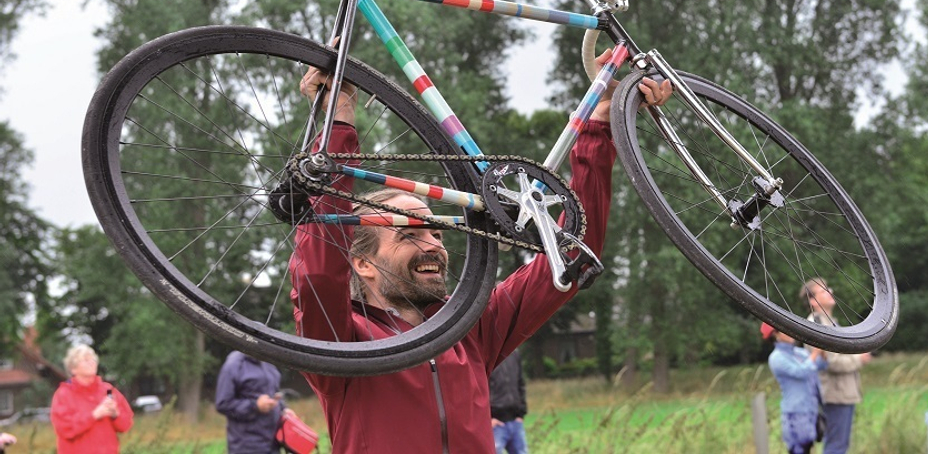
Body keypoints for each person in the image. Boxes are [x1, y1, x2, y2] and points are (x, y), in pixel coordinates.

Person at [292, 49, 671, 452]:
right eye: (409, 235)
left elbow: (572, 253)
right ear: (363, 263)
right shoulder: (338, 341)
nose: (433, 245)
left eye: (437, 233)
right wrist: (340, 118)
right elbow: (319, 268)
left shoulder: (469, 326)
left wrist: (601, 124)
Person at [799, 277, 871, 454]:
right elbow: (831, 362)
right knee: (836, 446)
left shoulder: (829, 322)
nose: (830, 292)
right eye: (823, 291)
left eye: (829, 288)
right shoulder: (816, 324)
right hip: (835, 393)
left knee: (840, 444)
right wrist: (859, 359)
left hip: (842, 392)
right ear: (812, 300)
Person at [50, 344, 133, 454]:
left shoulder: (108, 390)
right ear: (73, 368)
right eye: (85, 360)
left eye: (93, 359)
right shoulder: (63, 394)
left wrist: (115, 414)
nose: (91, 362)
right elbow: (65, 428)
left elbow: (126, 425)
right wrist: (93, 415)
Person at [762, 322, 827, 454]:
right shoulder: (776, 358)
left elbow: (820, 365)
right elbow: (801, 372)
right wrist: (815, 354)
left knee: (808, 447)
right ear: (776, 335)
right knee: (798, 450)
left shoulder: (799, 352)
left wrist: (823, 354)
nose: (790, 332)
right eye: (784, 330)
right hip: (795, 414)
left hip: (810, 410)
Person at [215, 350, 292, 454]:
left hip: (273, 445)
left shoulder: (268, 362)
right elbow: (223, 404)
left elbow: (274, 394)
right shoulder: (234, 364)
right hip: (246, 447)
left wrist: (284, 409)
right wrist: (254, 406)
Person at [489, 347, 529, 454]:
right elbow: (479, 389)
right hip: (495, 423)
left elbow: (520, 383)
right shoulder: (486, 354)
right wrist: (488, 418)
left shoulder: (514, 353)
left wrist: (521, 414)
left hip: (515, 420)